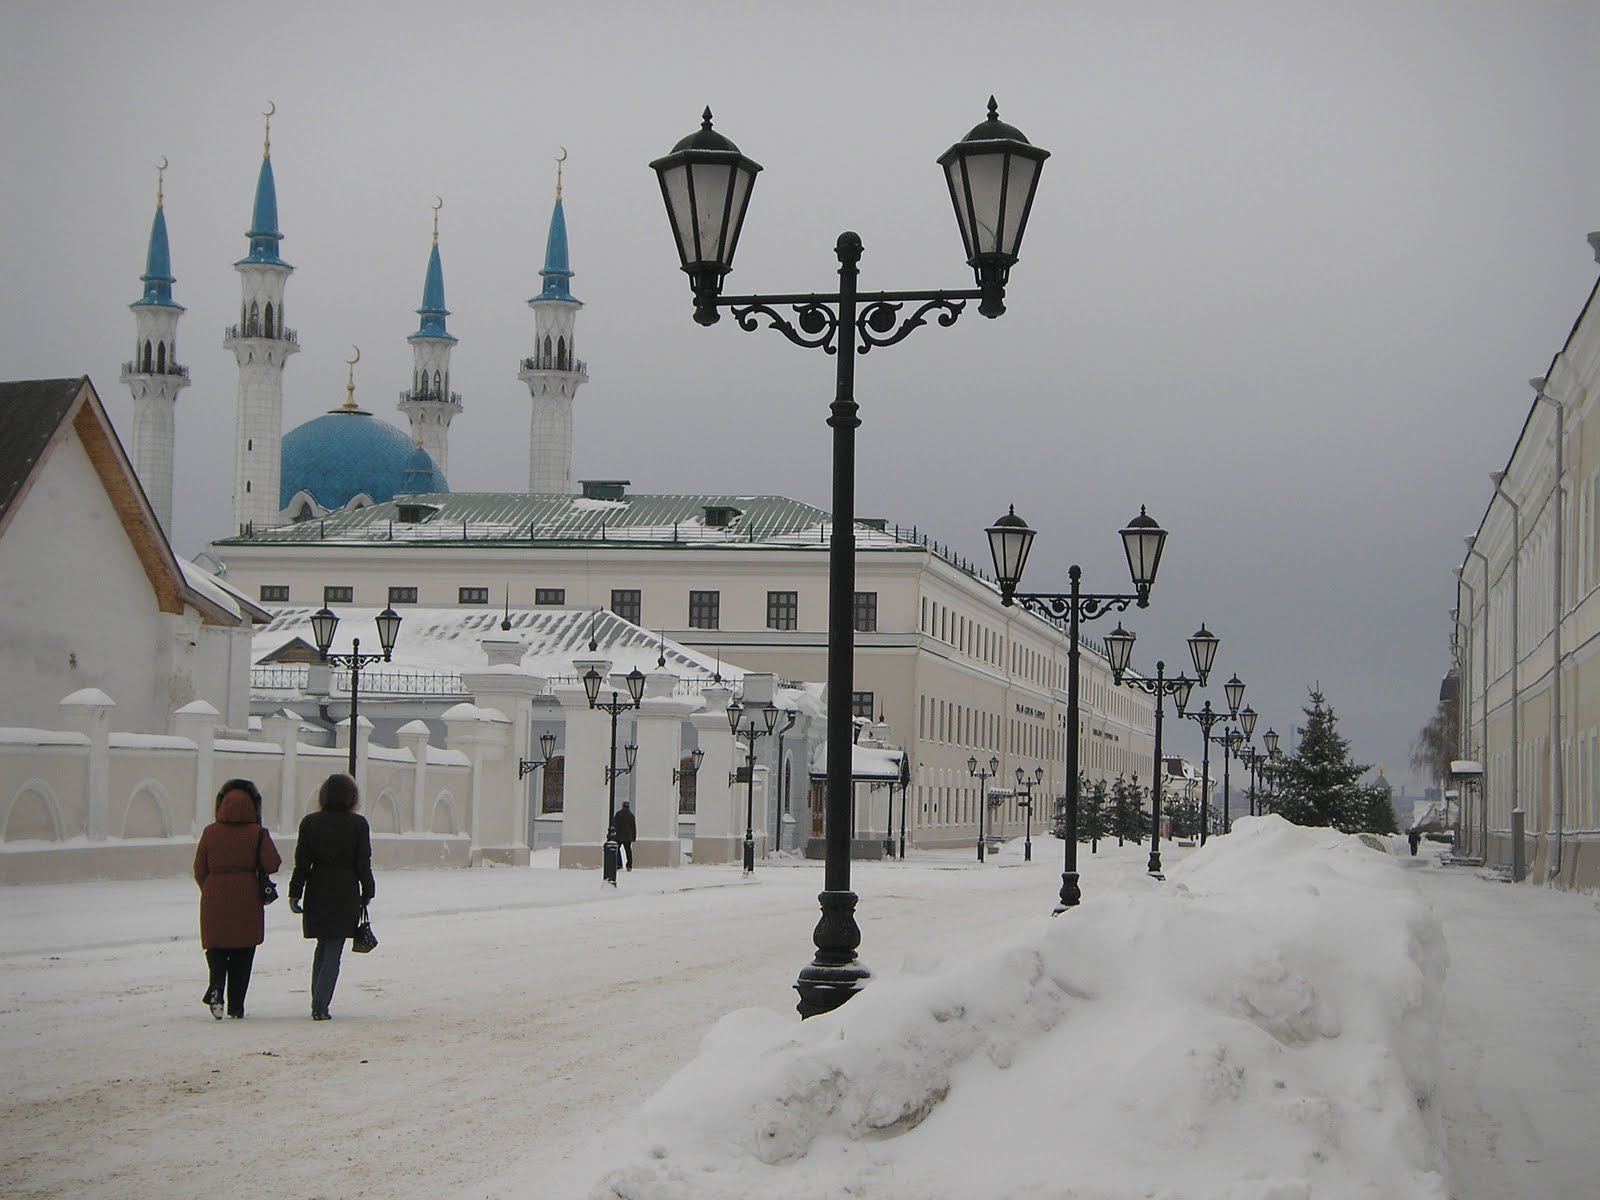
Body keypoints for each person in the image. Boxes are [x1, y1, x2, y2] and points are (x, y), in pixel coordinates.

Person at [289, 773, 375, 1021]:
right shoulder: (358, 825)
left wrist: (295, 892)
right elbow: (363, 862)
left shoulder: (310, 823)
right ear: (352, 797)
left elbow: (302, 863)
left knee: (322, 945)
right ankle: (320, 1004)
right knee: (334, 948)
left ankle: (317, 999)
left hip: (318, 888)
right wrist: (368, 890)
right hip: (345, 889)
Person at [194, 778, 280, 1020]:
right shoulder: (257, 833)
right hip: (247, 895)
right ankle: (236, 1006)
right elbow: (273, 864)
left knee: (217, 946)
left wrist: (210, 889)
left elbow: (199, 868)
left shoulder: (210, 832)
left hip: (214, 894)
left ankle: (216, 988)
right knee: (244, 950)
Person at [613, 800, 637, 871]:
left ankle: (619, 864)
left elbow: (614, 824)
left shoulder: (618, 814)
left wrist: (614, 833)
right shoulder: (631, 815)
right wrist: (633, 836)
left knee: (617, 850)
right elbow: (633, 827)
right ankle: (629, 865)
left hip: (619, 836)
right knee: (628, 851)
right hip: (628, 837)